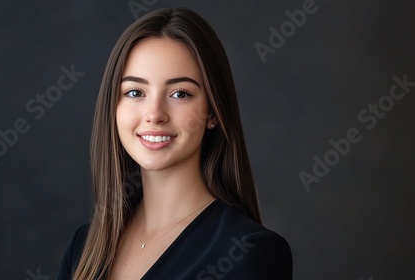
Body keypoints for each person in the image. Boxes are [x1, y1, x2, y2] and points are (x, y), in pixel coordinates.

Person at [57, 7, 292, 280]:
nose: (155, 114)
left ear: (213, 112)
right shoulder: (83, 249)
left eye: (180, 93)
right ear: (114, 106)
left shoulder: (250, 251)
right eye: (135, 92)